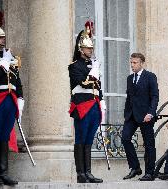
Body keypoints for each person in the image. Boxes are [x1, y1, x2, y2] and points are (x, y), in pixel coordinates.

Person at [68, 21, 105, 183]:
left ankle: (88, 172)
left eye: (91, 48)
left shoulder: (93, 65)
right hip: (82, 106)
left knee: (89, 140)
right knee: (81, 139)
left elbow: (98, 87)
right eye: (87, 48)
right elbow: (82, 82)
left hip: (94, 106)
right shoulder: (74, 66)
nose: (90, 50)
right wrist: (93, 72)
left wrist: (102, 101)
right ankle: (80, 173)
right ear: (80, 49)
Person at [0, 24, 23, 186]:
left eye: (3, 37)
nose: (2, 40)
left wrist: (21, 98)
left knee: (5, 136)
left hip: (10, 99)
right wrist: (3, 64)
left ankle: (4, 172)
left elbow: (17, 79)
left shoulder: (8, 56)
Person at [122, 53, 159, 181]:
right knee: (125, 138)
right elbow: (129, 97)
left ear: (142, 63)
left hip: (146, 115)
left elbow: (154, 96)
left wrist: (151, 112)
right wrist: (126, 114)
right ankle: (135, 167)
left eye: (135, 63)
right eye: (131, 63)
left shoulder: (150, 76)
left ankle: (150, 172)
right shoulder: (129, 78)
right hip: (131, 115)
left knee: (149, 144)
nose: (132, 65)